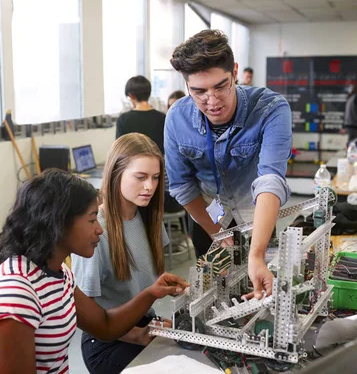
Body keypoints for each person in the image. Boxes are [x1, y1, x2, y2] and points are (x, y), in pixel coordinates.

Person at [0, 169, 187, 374]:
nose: (99, 229)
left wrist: (151, 293)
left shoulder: (57, 273)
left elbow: (105, 325)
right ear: (59, 223)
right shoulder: (15, 295)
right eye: (92, 219)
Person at [165, 29, 292, 300]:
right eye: (198, 91)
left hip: (256, 214)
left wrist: (256, 253)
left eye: (220, 86)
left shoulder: (270, 108)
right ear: (187, 85)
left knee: (261, 291)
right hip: (207, 215)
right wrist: (216, 232)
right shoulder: (177, 117)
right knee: (213, 296)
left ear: (234, 72)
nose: (212, 102)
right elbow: (182, 186)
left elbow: (270, 179)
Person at [72, 134, 175, 374]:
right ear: (116, 173)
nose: (149, 186)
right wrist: (136, 336)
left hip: (144, 321)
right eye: (140, 177)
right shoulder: (96, 229)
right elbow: (83, 311)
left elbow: (144, 279)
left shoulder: (148, 219)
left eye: (156, 178)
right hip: (108, 341)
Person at [116, 75, 166, 154]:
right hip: (158, 163)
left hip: (133, 165)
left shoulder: (123, 119)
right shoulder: (162, 117)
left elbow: (119, 151)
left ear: (131, 96)